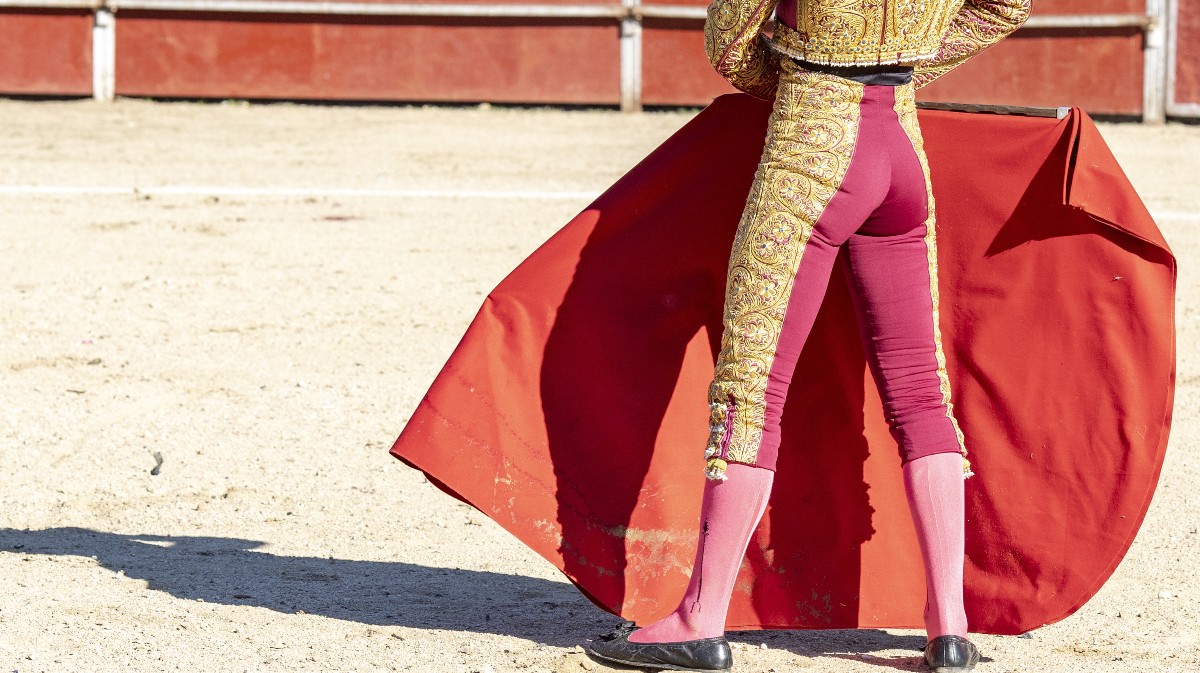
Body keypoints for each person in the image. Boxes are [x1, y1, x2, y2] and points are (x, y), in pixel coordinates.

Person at [585, 1, 1031, 671]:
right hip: (902, 147)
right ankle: (950, 626)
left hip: (812, 144)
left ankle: (698, 618)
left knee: (751, 383)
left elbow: (729, 40)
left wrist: (797, 75)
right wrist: (907, 59)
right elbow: (1008, 4)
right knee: (919, 389)